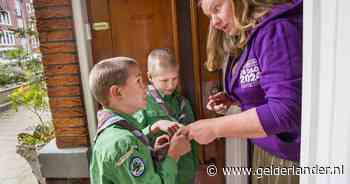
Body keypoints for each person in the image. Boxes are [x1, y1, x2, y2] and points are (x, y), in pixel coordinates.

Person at [184, 0, 302, 183]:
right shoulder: (247, 35)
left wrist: (215, 128)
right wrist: (235, 99)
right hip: (267, 148)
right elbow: (267, 89)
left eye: (217, 9)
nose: (214, 22)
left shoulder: (276, 30)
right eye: (209, 16)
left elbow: (284, 111)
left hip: (288, 159)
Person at [89, 57, 191, 184]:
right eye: (138, 81)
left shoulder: (118, 133)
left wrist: (153, 155)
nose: (145, 88)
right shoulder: (123, 144)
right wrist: (174, 153)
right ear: (117, 92)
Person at [133, 48, 199, 184]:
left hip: (186, 172)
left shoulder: (183, 103)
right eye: (164, 80)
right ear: (150, 77)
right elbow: (134, 138)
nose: (171, 85)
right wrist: (154, 127)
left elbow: (193, 138)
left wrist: (195, 167)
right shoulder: (143, 104)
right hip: (160, 173)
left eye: (174, 78)